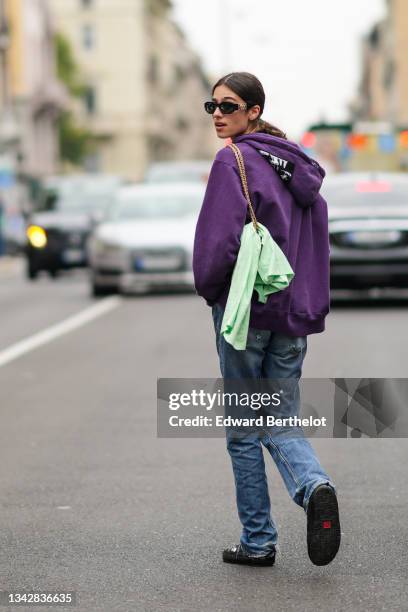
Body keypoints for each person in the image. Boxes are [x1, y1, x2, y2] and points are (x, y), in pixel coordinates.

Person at [193, 72, 341, 567]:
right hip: (291, 313)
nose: (218, 115)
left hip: (247, 312)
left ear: (254, 110)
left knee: (242, 429)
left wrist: (213, 292)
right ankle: (313, 484)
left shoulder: (231, 160)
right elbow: (318, 240)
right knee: (279, 417)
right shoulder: (299, 165)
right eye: (211, 106)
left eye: (228, 106)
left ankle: (258, 542)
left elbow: (218, 245)